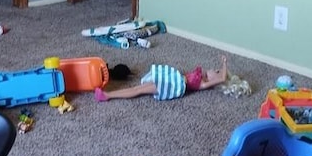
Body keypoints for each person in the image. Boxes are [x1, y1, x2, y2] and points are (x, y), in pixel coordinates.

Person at [95, 56, 228, 102]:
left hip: (170, 85)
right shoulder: (201, 76)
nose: (213, 69)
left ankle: (108, 95)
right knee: (136, 89)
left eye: (216, 71)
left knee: (137, 90)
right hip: (170, 79)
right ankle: (107, 95)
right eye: (216, 69)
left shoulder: (202, 84)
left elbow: (222, 78)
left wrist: (224, 64)